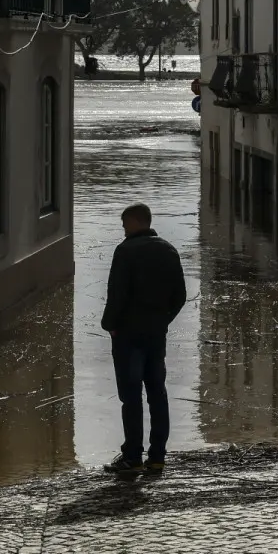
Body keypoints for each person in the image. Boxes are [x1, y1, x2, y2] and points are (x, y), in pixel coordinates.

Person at [100, 203, 188, 475]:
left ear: (136, 222)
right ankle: (157, 456)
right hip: (156, 334)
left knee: (131, 396)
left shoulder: (125, 251)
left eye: (125, 224)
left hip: (128, 335)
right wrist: (164, 320)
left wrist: (109, 325)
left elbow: (117, 294)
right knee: (157, 393)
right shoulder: (169, 250)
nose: (123, 229)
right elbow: (180, 296)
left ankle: (132, 457)